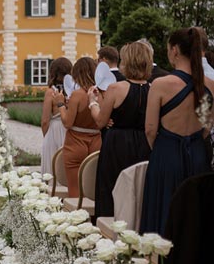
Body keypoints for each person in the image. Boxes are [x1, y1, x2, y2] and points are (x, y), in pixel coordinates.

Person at [140, 28, 214, 236]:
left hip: (167, 155)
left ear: (174, 50)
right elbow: (206, 126)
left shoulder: (161, 85)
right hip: (199, 157)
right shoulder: (209, 86)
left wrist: (162, 148)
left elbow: (150, 129)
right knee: (195, 218)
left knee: (163, 213)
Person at [88, 41, 152, 218]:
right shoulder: (153, 89)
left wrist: (92, 102)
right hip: (143, 143)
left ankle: (110, 232)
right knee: (138, 191)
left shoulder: (115, 88)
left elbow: (101, 122)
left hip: (117, 145)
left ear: (127, 62)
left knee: (112, 189)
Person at [53, 57, 101, 198]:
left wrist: (61, 104)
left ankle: (78, 218)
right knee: (93, 190)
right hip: (97, 143)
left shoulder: (78, 95)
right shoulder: (102, 94)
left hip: (76, 143)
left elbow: (67, 122)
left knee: (75, 191)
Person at [40, 57, 72, 176]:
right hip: (69, 129)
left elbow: (45, 120)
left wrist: (46, 136)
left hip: (54, 129)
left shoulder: (51, 92)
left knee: (52, 166)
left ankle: (52, 189)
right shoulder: (73, 91)